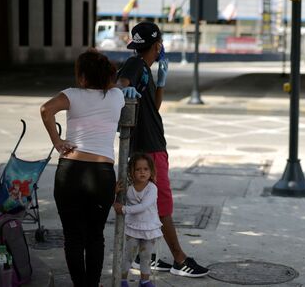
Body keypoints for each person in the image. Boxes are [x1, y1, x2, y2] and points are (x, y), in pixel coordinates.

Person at [117, 21, 209, 277]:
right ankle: (180, 259)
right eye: (159, 46)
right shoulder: (135, 65)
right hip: (149, 149)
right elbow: (120, 85)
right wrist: (124, 91)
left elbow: (152, 108)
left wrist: (161, 83)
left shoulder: (144, 68)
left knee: (149, 205)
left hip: (149, 144)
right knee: (162, 204)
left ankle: (144, 255)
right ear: (157, 46)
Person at [40, 50, 125, 287]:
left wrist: (57, 141)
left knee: (73, 238)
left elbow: (46, 109)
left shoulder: (71, 95)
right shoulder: (117, 96)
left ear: (83, 76)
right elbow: (119, 82)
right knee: (95, 237)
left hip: (71, 171)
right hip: (102, 174)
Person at [114, 153, 162, 287]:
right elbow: (117, 204)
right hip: (133, 227)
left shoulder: (152, 188)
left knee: (146, 256)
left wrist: (124, 209)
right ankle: (122, 279)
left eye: (146, 169)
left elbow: (143, 206)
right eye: (138, 169)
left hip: (149, 228)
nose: (142, 172)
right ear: (131, 172)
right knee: (128, 255)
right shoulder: (128, 188)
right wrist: (115, 192)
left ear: (151, 171)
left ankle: (145, 280)